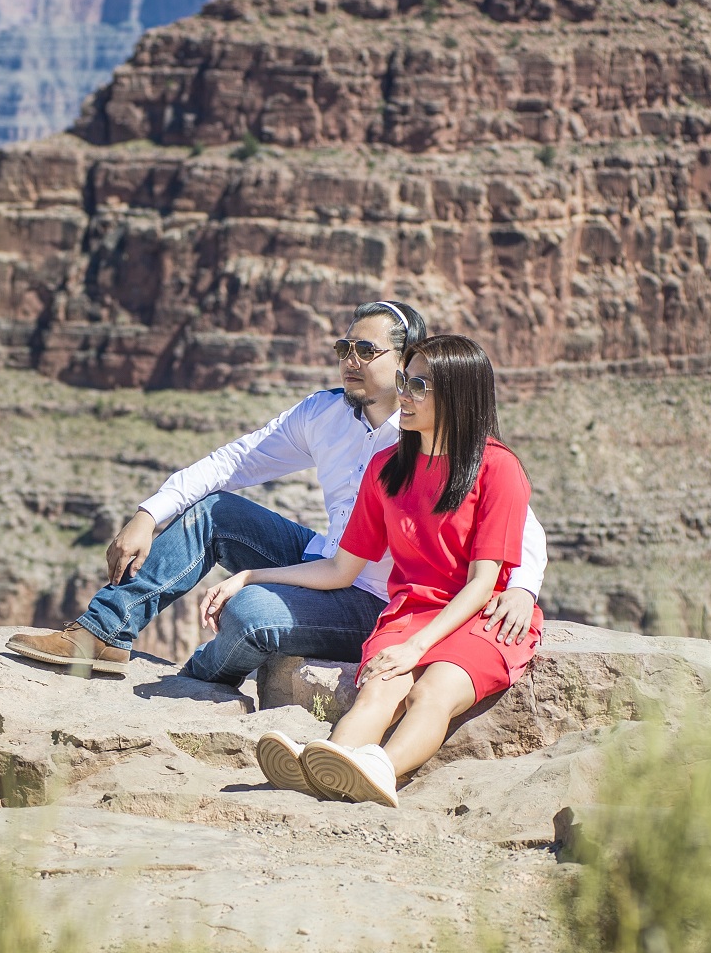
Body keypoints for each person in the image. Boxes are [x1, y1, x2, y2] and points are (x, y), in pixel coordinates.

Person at [5, 303, 546, 686]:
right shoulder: (322, 413)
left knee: (252, 611)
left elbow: (520, 520)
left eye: (364, 349)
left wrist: (521, 587)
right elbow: (234, 462)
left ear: (408, 362)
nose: (348, 359)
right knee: (215, 513)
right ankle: (102, 632)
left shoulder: (431, 432)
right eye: (343, 347)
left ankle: (202, 675)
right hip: (325, 563)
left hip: (379, 598)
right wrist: (149, 513)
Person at [199, 334, 543, 806]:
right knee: (377, 692)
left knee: (433, 692)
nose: (403, 393)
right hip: (410, 612)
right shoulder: (387, 467)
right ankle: (327, 763)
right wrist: (252, 576)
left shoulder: (497, 468)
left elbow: (483, 581)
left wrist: (418, 647)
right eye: (404, 379)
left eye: (419, 385)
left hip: (481, 616)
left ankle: (380, 769)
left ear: (459, 397)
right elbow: (341, 568)